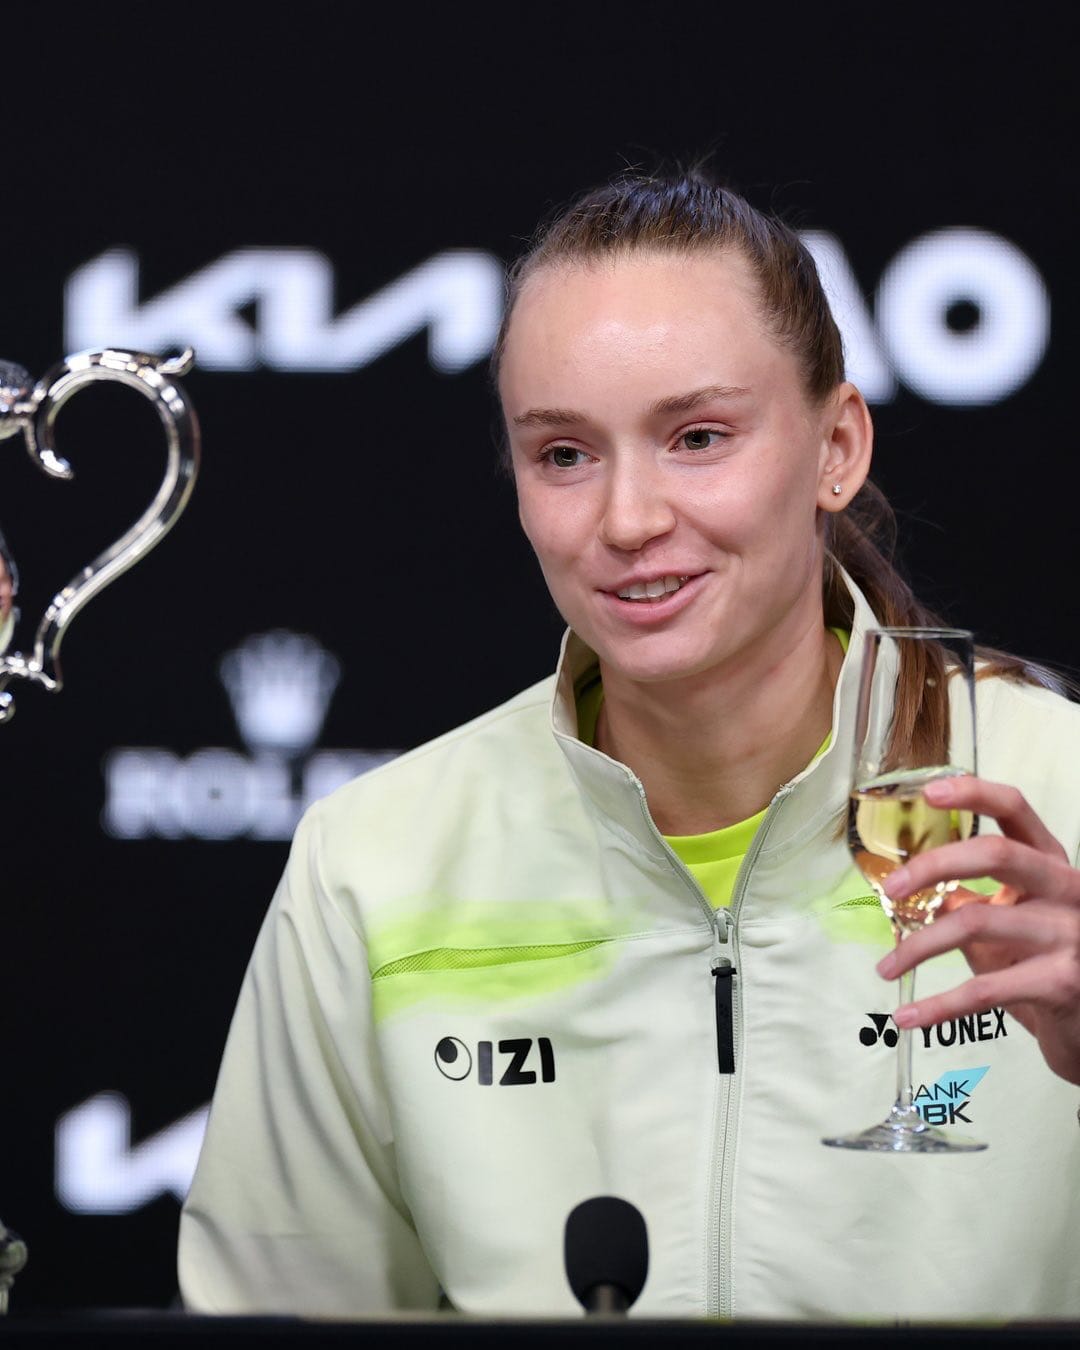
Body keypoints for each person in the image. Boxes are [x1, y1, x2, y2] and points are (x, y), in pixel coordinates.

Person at [178, 172, 1080, 1321]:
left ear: (835, 447)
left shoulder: (1063, 793)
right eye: (564, 455)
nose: (627, 519)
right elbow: (271, 1320)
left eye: (698, 436)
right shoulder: (376, 861)